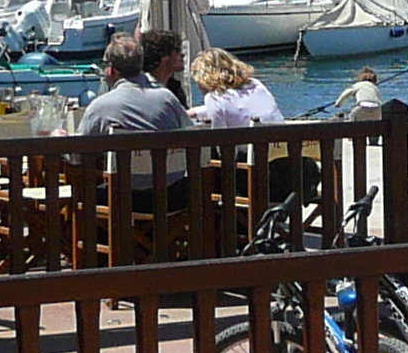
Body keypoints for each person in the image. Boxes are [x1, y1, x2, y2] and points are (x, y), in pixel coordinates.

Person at [78, 29, 189, 216]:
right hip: (172, 197)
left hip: (123, 199)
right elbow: (191, 134)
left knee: (83, 195)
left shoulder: (101, 106)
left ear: (111, 69)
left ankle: (102, 244)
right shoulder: (167, 99)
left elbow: (77, 155)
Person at [188, 48, 281, 129]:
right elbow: (237, 108)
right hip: (281, 145)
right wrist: (196, 112)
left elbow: (219, 138)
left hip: (248, 149)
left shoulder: (214, 98)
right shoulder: (255, 84)